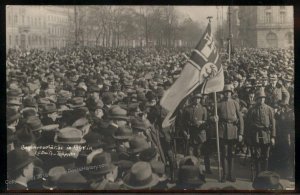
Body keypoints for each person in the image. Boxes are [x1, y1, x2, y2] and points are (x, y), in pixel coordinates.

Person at [212, 85, 244, 182]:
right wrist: (214, 118)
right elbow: (212, 117)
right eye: (226, 92)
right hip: (222, 131)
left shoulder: (235, 103)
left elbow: (241, 119)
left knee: (232, 154)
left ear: (231, 93)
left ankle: (231, 174)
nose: (227, 93)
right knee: (224, 153)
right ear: (223, 93)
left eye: (229, 92)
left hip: (233, 131)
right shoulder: (219, 104)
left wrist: (241, 133)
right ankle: (225, 174)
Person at [246, 89, 276, 176]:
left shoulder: (269, 109)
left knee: (266, 156)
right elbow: (248, 124)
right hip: (256, 134)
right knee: (257, 155)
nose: (262, 100)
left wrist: (273, 137)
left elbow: (273, 123)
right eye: (260, 98)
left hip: (266, 134)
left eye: (263, 98)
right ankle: (259, 174)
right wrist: (248, 137)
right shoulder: (252, 110)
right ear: (257, 99)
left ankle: (265, 174)